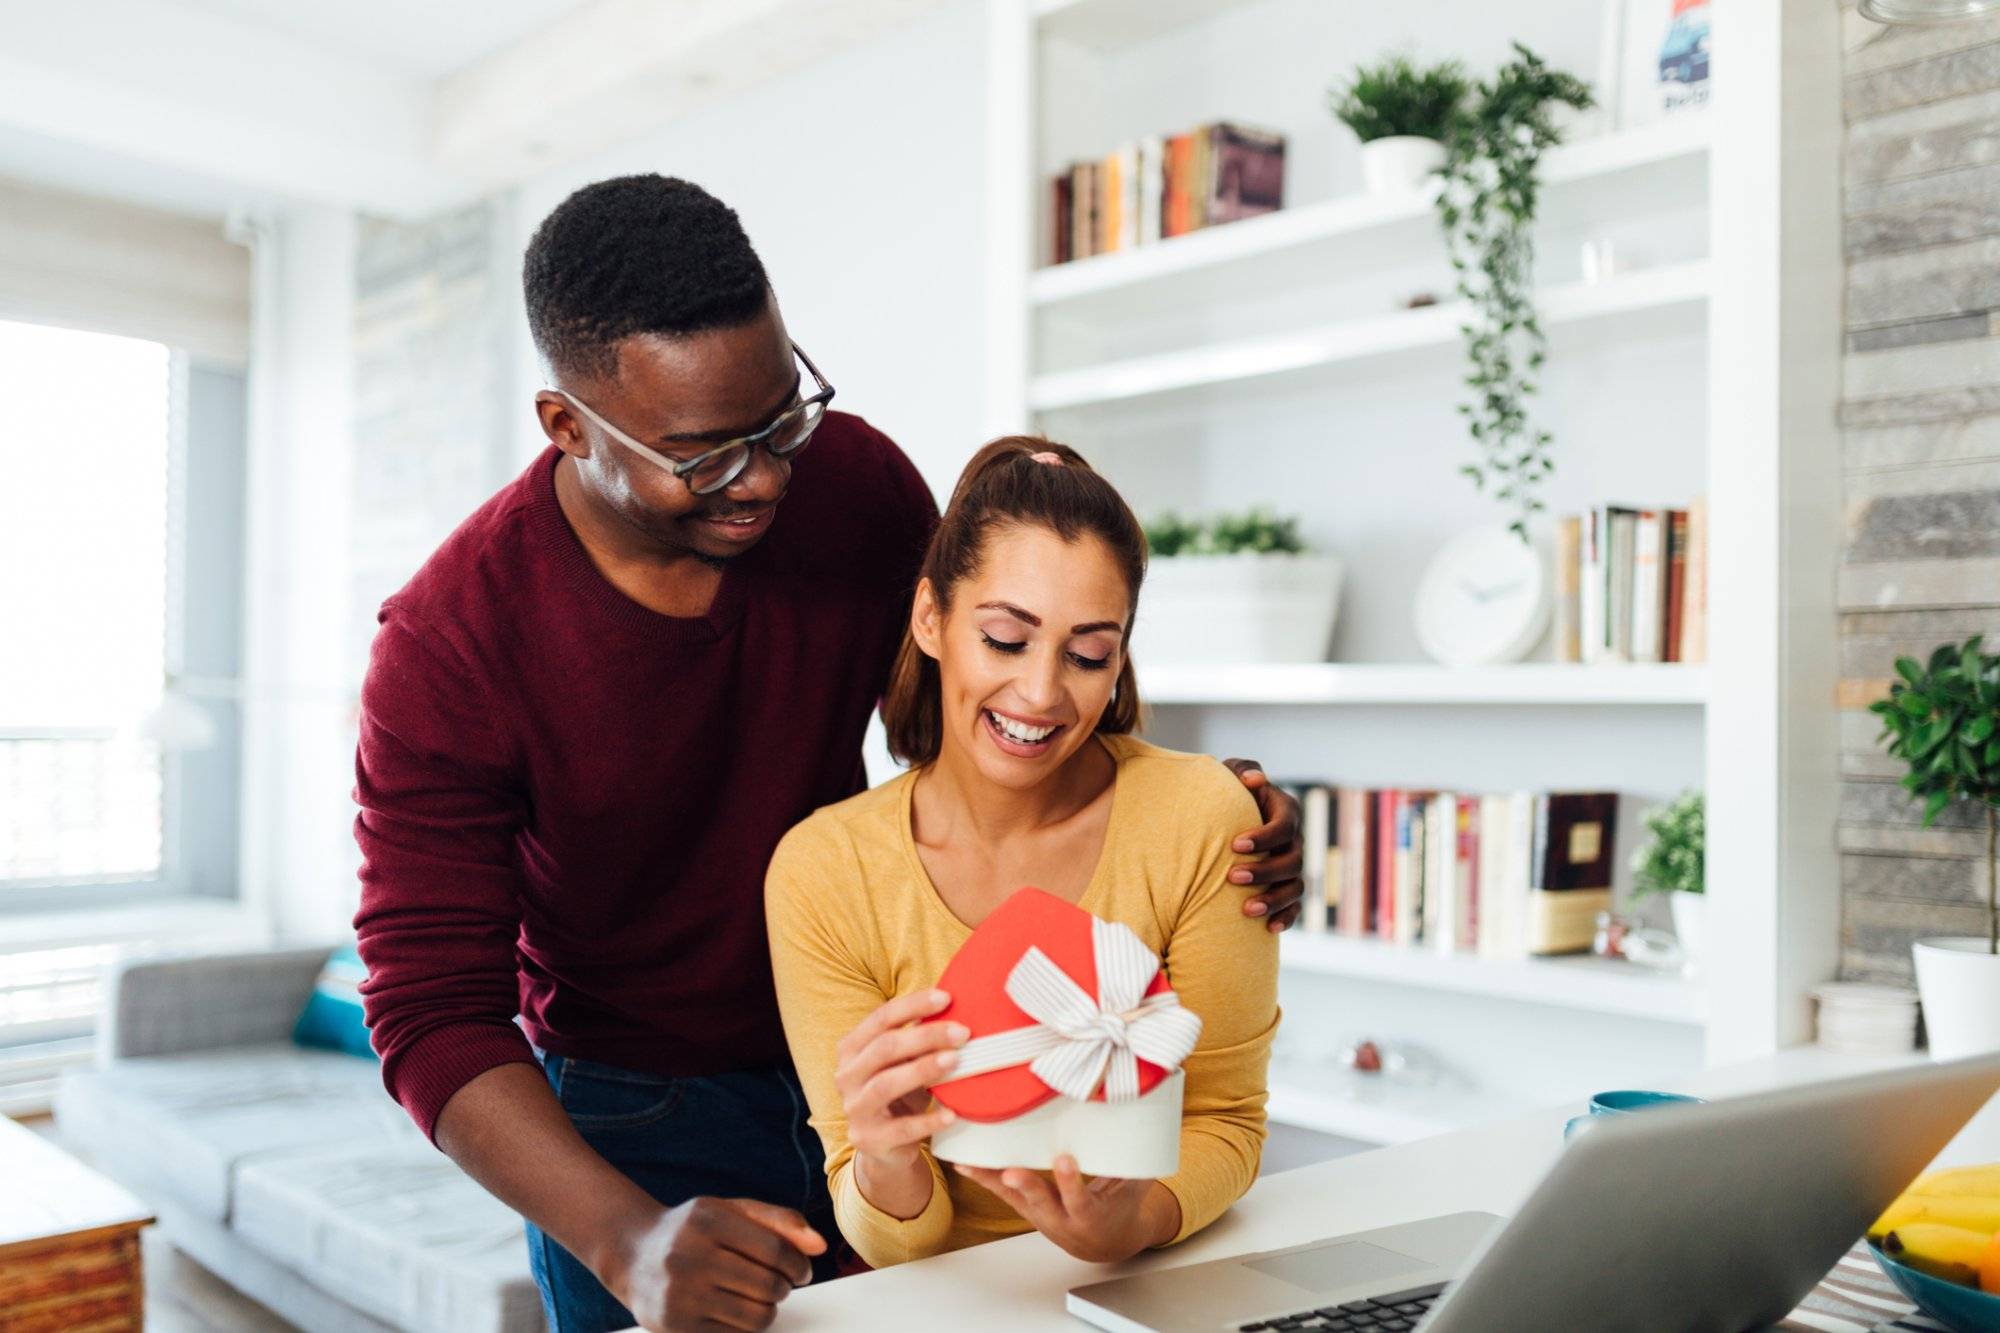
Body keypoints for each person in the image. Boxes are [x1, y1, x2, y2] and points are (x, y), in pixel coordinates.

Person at [352, 175, 1306, 1333]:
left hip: (896, 1040)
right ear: (567, 425)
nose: (762, 478)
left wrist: (1199, 816)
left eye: (778, 415)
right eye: (703, 457)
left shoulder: (848, 486)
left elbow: (982, 704)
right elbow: (427, 1006)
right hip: (639, 1109)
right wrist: (624, 1236)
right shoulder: (450, 644)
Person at [766, 439, 1279, 1271]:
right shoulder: (825, 870)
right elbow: (895, 1238)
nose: (1042, 693)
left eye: (1087, 654)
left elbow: (1226, 1121)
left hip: (1151, 1283)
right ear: (930, 618)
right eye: (1006, 638)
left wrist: (1132, 1222)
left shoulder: (1198, 816)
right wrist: (884, 1154)